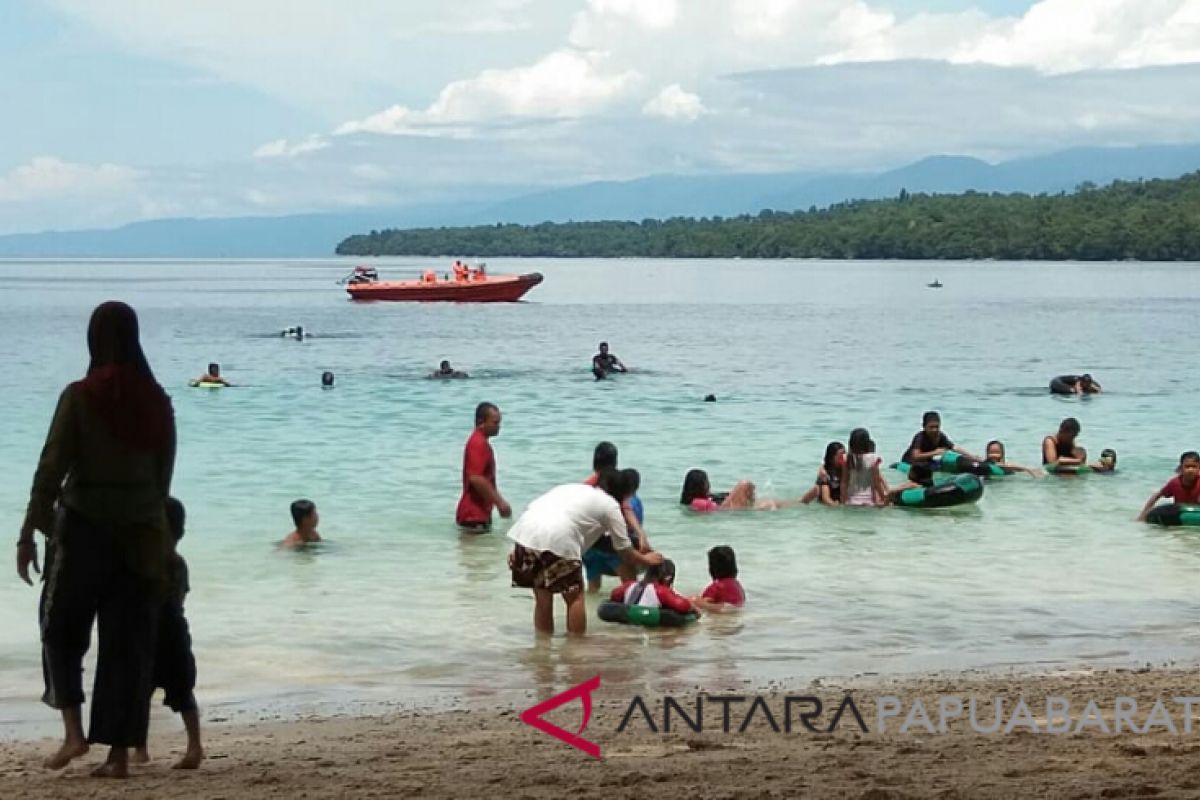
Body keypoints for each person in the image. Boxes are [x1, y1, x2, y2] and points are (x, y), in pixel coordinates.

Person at [17, 301, 176, 777]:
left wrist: (29, 531)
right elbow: (163, 478)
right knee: (126, 643)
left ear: (94, 340)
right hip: (142, 537)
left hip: (85, 531)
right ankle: (119, 757)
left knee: (60, 629)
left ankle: (73, 732)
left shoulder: (80, 396)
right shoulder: (158, 401)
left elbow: (51, 467)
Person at [507, 470, 663, 635]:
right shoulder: (611, 506)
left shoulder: (573, 488)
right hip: (559, 538)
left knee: (543, 600)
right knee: (574, 597)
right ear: (624, 494)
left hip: (524, 534)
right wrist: (647, 560)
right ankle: (576, 648)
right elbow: (624, 551)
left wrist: (518, 547)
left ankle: (542, 650)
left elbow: (537, 512)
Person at [135, 497, 203, 769]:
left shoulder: (151, 564)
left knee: (143, 693)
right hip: (174, 631)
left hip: (157, 634)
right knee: (181, 693)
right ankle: (193, 746)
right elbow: (180, 598)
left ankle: (142, 749)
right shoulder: (179, 563)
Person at [581, 446, 650, 592]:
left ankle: (592, 611)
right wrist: (641, 535)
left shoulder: (585, 486)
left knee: (593, 588)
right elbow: (625, 511)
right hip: (612, 546)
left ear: (594, 462)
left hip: (588, 545)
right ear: (615, 461)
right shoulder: (618, 484)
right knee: (630, 584)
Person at [456, 402, 511, 531]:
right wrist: (500, 503)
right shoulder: (478, 443)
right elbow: (476, 478)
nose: (499, 427)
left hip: (478, 514)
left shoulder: (480, 442)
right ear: (481, 422)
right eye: (495, 423)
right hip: (473, 515)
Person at [896, 411, 983, 490]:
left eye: (937, 427)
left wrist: (972, 457)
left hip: (927, 462)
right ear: (924, 426)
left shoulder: (940, 436)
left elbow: (954, 448)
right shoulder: (920, 437)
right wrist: (935, 452)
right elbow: (915, 456)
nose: (934, 430)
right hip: (910, 463)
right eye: (931, 427)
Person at [609, 559, 699, 617]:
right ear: (668, 577)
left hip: (628, 619)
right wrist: (693, 608)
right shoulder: (661, 591)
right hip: (647, 622)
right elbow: (682, 606)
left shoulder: (630, 585)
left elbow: (614, 595)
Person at [1138, 452, 1200, 521]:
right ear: (1180, 468)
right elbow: (1157, 495)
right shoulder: (1175, 483)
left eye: (1194, 467)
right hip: (1180, 513)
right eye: (1187, 466)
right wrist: (1144, 514)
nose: (1190, 470)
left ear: (1199, 468)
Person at [679, 469, 774, 511]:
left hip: (724, 509)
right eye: (706, 482)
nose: (708, 485)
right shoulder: (698, 502)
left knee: (768, 503)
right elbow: (718, 510)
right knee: (745, 484)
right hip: (725, 511)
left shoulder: (697, 500)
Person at [841, 427, 889, 507]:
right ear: (867, 442)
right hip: (868, 501)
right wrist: (884, 499)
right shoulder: (873, 458)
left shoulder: (846, 458)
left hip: (851, 501)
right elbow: (877, 483)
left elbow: (844, 482)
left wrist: (843, 501)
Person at [691, 546, 745, 611]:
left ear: (712, 568)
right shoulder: (738, 585)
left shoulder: (716, 587)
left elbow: (702, 604)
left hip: (721, 616)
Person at [800, 441, 845, 505]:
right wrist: (836, 506)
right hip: (821, 497)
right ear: (832, 457)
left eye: (844, 453)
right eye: (840, 455)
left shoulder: (845, 467)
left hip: (832, 497)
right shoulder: (825, 473)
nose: (843, 457)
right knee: (801, 502)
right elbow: (826, 499)